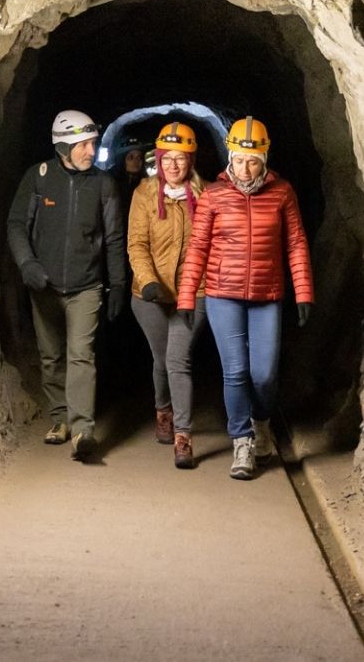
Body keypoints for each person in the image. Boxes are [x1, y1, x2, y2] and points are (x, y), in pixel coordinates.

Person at [177, 117, 313, 480]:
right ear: (230, 158)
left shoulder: (282, 193)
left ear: (264, 159)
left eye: (252, 161)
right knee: (235, 371)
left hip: (267, 294)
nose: (245, 168)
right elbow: (198, 247)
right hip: (223, 294)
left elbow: (296, 243)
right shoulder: (214, 195)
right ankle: (242, 440)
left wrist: (303, 291)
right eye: (238, 160)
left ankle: (261, 423)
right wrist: (187, 295)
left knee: (264, 374)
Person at [7, 109, 127, 461]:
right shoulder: (39, 178)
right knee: (51, 355)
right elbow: (16, 224)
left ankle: (82, 429)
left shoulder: (103, 185)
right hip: (43, 285)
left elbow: (114, 238)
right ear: (63, 147)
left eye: (93, 143)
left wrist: (118, 284)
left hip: (86, 286)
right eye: (84, 144)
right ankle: (59, 418)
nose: (92, 151)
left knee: (81, 355)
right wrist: (27, 264)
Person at [127, 122, 210, 469]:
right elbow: (137, 243)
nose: (173, 165)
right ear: (159, 160)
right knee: (161, 359)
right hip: (150, 296)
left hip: (194, 293)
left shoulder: (206, 195)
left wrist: (196, 287)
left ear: (191, 161)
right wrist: (148, 282)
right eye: (167, 158)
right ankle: (163, 410)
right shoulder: (145, 194)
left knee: (178, 360)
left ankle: (182, 436)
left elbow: (212, 247)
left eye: (180, 158)